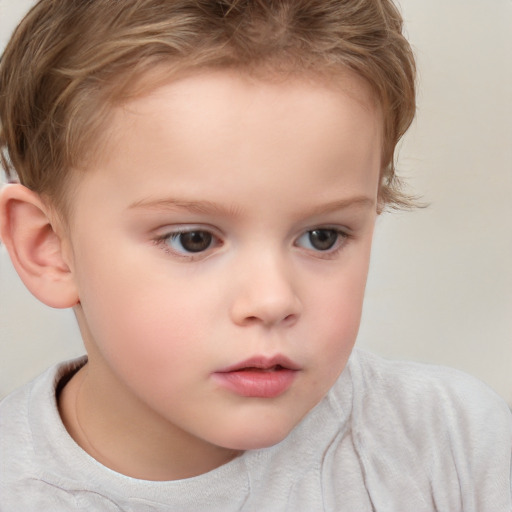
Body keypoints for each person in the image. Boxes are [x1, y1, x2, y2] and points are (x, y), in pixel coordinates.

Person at [0, 0, 510, 510]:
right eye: (193, 239)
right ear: (49, 248)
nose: (272, 300)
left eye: (322, 236)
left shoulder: (454, 445)